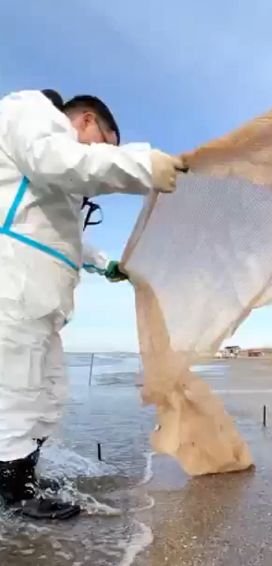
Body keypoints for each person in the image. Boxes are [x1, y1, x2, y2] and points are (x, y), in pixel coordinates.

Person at [0, 88, 186, 520]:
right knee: (17, 391)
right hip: (12, 288)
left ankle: (22, 477)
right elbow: (60, 161)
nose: (104, 157)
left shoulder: (48, 178)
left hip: (38, 298)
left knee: (45, 392)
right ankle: (13, 496)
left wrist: (106, 263)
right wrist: (142, 163)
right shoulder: (32, 112)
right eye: (107, 146)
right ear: (86, 121)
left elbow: (66, 235)